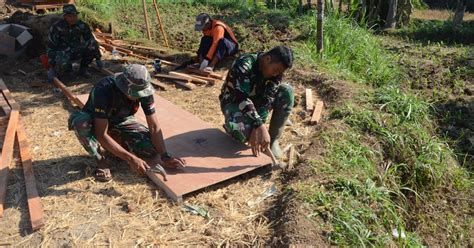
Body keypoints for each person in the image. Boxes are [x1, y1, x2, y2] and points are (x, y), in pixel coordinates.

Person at [68, 64, 186, 182]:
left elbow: (154, 127)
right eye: (134, 94)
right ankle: (101, 160)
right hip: (95, 121)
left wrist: (165, 156)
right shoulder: (103, 90)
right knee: (81, 123)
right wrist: (130, 159)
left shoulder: (145, 90)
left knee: (149, 151)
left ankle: (114, 144)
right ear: (123, 87)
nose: (137, 97)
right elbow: (101, 134)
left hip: (121, 120)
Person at [219, 46, 294, 159]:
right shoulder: (244, 64)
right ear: (267, 59)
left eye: (279, 72)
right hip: (234, 102)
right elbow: (241, 98)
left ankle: (272, 141)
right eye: (275, 70)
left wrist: (259, 126)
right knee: (242, 131)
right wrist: (258, 124)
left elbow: (267, 100)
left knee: (286, 91)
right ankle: (231, 127)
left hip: (255, 103)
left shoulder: (276, 73)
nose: (276, 75)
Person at [47, 4, 102, 82]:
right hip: (62, 53)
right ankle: (67, 72)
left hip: (76, 49)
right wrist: (51, 66)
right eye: (70, 16)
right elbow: (51, 46)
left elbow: (91, 40)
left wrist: (98, 58)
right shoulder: (57, 27)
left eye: (74, 15)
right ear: (65, 16)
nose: (73, 18)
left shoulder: (81, 25)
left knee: (91, 45)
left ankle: (83, 69)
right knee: (65, 72)